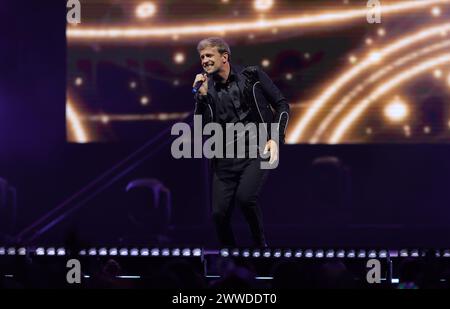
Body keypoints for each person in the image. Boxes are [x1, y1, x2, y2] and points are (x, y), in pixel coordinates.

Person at [193, 37, 290, 247]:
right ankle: (231, 260)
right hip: (224, 159)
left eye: (209, 55)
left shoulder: (251, 77)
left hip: (256, 151)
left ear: (224, 57)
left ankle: (261, 249)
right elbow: (201, 129)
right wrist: (200, 99)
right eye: (202, 57)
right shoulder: (206, 90)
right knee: (219, 215)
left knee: (245, 199)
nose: (204, 61)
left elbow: (282, 104)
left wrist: (275, 137)